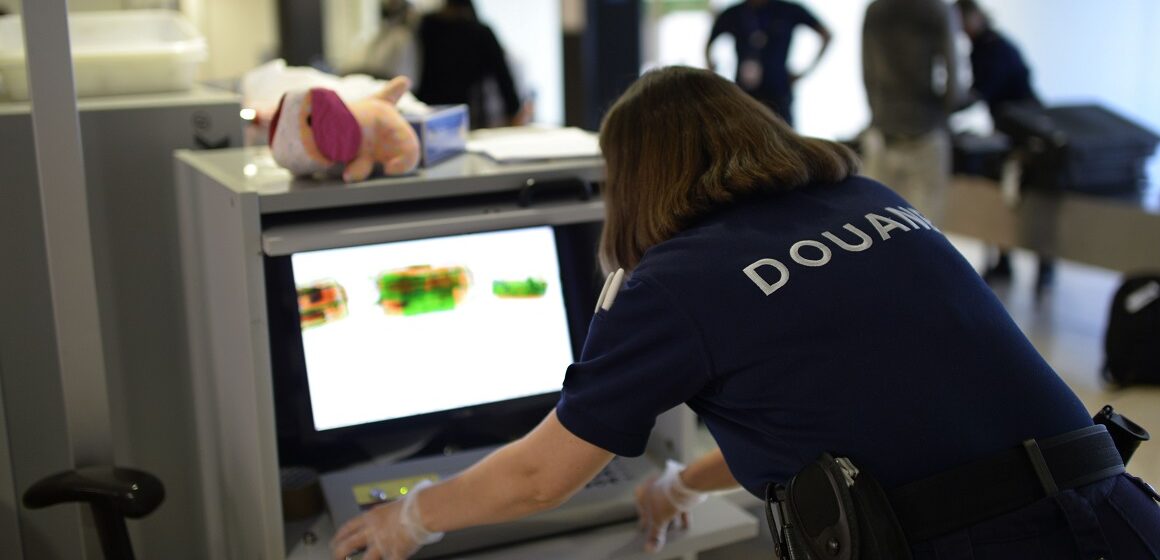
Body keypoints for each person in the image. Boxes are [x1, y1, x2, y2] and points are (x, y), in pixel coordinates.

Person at [331, 67, 1160, 560]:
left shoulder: (671, 284)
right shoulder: (866, 200)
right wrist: (680, 477)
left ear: (634, 180)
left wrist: (408, 518)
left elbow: (540, 476)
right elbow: (839, 407)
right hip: (1117, 509)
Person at [956, 0, 1056, 293]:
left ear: (974, 16)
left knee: (1034, 195)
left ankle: (1043, 266)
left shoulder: (996, 49)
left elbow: (982, 92)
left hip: (1027, 134)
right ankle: (1003, 259)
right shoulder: (982, 48)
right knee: (997, 195)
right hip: (1007, 131)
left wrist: (943, 108)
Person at [861, 0, 965, 224]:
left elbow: (867, 72)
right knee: (927, 227)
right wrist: (944, 115)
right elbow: (954, 76)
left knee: (879, 224)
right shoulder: (936, 9)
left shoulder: (876, 9)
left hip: (884, 127)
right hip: (925, 126)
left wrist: (877, 113)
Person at [705, 0, 832, 128]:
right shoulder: (734, 13)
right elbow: (708, 45)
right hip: (744, 94)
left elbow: (826, 34)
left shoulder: (788, 10)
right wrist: (714, 74)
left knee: (783, 138)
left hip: (778, 92)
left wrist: (805, 72)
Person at [414, 0, 529, 129]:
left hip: (432, 113)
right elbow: (504, 79)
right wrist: (513, 113)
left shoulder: (428, 26)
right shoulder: (479, 32)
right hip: (466, 117)